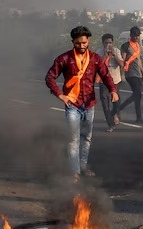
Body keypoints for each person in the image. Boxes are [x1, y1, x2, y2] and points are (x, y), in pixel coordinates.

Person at [46, 26, 118, 180]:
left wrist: (113, 90)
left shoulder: (95, 59)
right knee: (73, 139)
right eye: (78, 43)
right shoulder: (64, 59)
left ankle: (83, 166)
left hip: (89, 104)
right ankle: (75, 172)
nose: (81, 46)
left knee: (86, 137)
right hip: (72, 104)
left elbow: (106, 75)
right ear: (73, 42)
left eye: (84, 43)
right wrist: (60, 95)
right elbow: (50, 77)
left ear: (88, 41)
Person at [113, 26, 143, 124]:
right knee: (136, 94)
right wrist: (121, 75)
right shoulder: (126, 46)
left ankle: (139, 118)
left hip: (138, 73)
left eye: (138, 36)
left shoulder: (138, 46)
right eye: (135, 35)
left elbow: (138, 60)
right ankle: (117, 109)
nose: (136, 37)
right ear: (131, 35)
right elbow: (123, 61)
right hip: (130, 73)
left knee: (138, 96)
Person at [96, 33, 123, 132]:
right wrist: (106, 56)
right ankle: (110, 124)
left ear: (113, 43)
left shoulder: (116, 51)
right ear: (103, 43)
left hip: (115, 81)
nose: (108, 45)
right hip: (103, 82)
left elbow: (121, 64)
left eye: (110, 43)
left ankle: (113, 114)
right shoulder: (99, 52)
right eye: (106, 43)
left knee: (117, 103)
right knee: (105, 104)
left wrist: (113, 55)